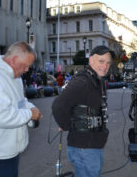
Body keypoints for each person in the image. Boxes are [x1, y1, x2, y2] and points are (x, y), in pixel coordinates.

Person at [0, 41, 42, 177]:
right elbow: (2, 117)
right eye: (26, 65)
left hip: (7, 148)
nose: (27, 69)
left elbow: (21, 102)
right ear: (15, 60)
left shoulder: (15, 76)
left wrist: (32, 109)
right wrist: (29, 114)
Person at [52, 45, 115, 177]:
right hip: (84, 147)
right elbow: (58, 105)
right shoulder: (82, 81)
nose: (105, 66)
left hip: (92, 145)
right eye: (101, 61)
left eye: (108, 62)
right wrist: (66, 125)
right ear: (91, 60)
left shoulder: (96, 81)